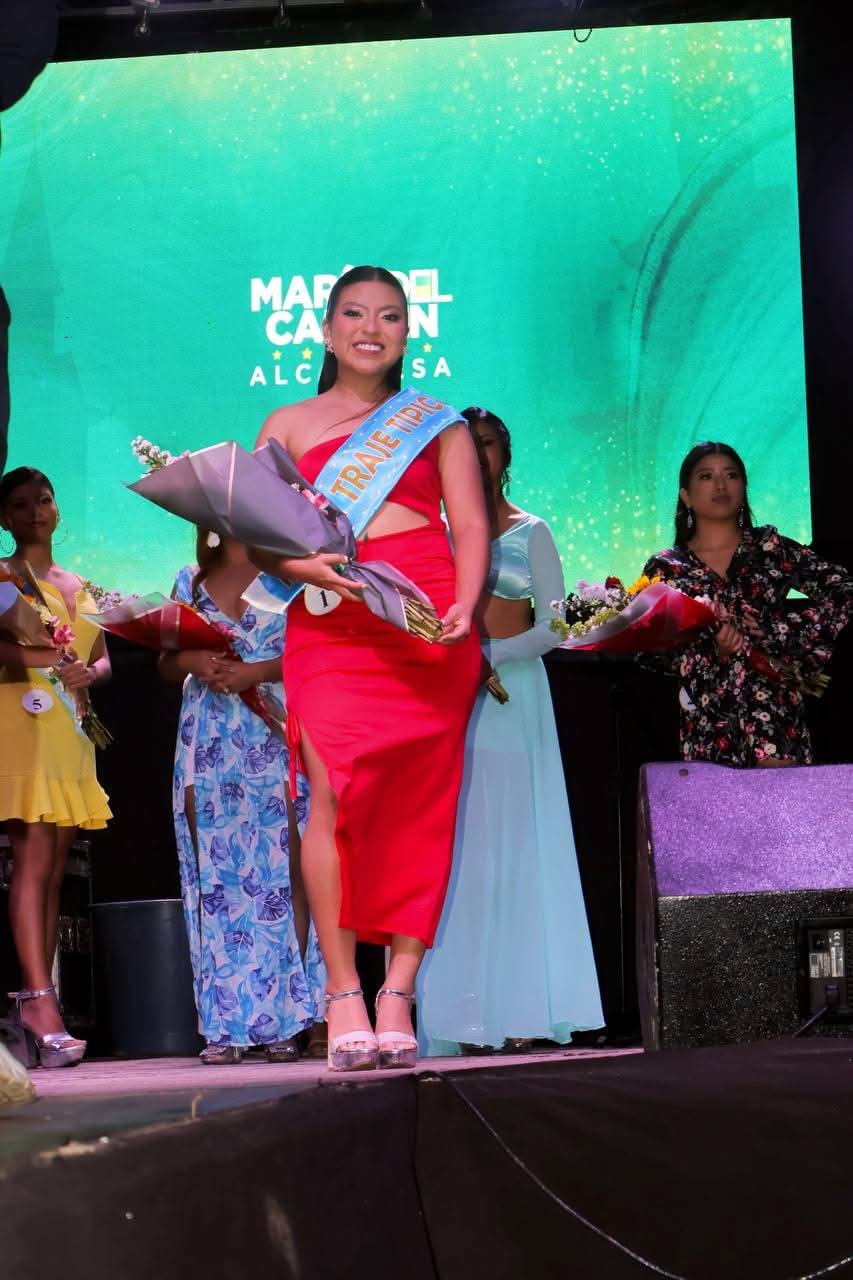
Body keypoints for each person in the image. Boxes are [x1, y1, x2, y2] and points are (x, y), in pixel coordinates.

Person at [253, 265, 488, 1071]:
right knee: (331, 796)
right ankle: (342, 988)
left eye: (388, 316)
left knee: (421, 805)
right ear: (325, 330)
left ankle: (399, 991)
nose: (369, 328)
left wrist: (465, 603)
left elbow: (469, 525)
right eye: (353, 314)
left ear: (405, 332)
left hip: (423, 617)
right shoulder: (286, 423)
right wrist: (301, 568)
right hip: (332, 621)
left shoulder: (438, 424)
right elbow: (260, 537)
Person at [417, 408, 603, 1054]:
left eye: (487, 444)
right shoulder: (435, 536)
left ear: (506, 454)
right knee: (458, 850)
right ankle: (460, 1017)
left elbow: (554, 626)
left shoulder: (532, 531)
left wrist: (490, 657)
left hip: (513, 695)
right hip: (448, 698)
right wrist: (455, 663)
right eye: (464, 446)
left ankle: (522, 1011)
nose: (477, 456)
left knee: (519, 845)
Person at [159, 531, 326, 1064]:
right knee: (217, 880)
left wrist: (258, 670)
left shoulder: (290, 577)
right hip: (207, 736)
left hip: (273, 729)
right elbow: (164, 663)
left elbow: (317, 653)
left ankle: (287, 1020)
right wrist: (191, 660)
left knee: (286, 873)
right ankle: (225, 1026)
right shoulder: (190, 581)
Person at [641, 442, 853, 767]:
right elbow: (650, 651)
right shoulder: (667, 568)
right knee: (716, 799)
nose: (720, 485)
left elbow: (843, 590)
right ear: (686, 495)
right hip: (709, 720)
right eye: (706, 476)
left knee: (784, 798)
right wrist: (711, 652)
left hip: (776, 716)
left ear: (743, 487)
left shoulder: (769, 549)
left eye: (731, 475)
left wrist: (778, 631)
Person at [0, 466, 111, 1067]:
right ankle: (39, 1004)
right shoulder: (4, 577)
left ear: (58, 509)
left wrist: (87, 672)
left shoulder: (79, 582)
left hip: (72, 727)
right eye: (20, 504)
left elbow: (102, 659)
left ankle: (39, 1001)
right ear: (4, 518)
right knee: (33, 859)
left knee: (54, 869)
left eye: (43, 500)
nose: (35, 511)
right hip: (24, 718)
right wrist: (45, 655)